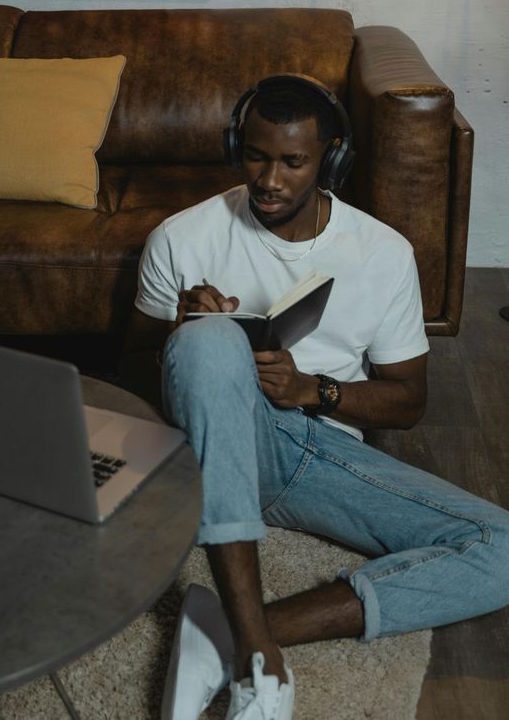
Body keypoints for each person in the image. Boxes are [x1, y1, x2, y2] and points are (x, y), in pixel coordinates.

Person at [121, 74, 509, 720]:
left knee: (501, 546)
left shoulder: (382, 253)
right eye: (255, 155)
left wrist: (313, 390)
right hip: (197, 447)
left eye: (293, 161)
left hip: (305, 452)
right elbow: (129, 374)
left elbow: (408, 400)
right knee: (209, 343)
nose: (269, 179)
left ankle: (238, 627)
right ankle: (255, 654)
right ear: (235, 148)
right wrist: (178, 336)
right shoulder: (181, 238)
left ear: (330, 159)